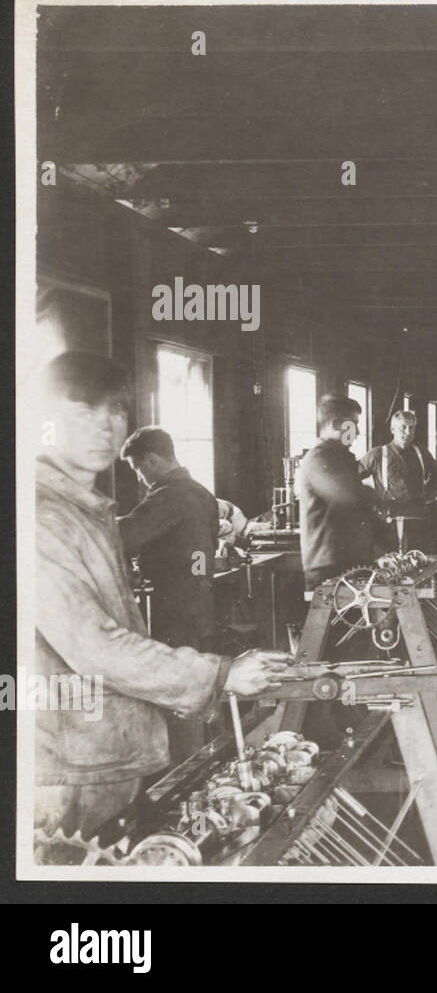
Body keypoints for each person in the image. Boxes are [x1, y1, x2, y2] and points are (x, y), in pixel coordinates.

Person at [33, 351, 289, 843]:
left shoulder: (93, 511)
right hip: (70, 768)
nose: (104, 427)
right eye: (83, 413)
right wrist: (223, 674)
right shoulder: (45, 516)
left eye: (115, 410)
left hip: (100, 754)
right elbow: (95, 646)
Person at [118, 426, 220, 655]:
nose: (140, 477)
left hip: (174, 603)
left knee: (176, 673)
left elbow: (125, 535)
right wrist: (198, 576)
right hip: (201, 597)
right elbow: (203, 552)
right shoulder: (203, 494)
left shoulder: (168, 497)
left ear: (151, 461)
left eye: (137, 468)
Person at [296, 393, 383, 590]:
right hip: (328, 564)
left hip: (350, 560)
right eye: (353, 424)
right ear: (336, 424)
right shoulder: (318, 457)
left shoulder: (341, 457)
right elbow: (346, 497)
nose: (358, 431)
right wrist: (372, 494)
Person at [357, 409, 437, 551]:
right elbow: (351, 477)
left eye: (411, 428)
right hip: (389, 521)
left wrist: (423, 494)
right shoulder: (377, 454)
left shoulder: (421, 453)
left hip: (417, 519)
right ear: (392, 429)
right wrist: (371, 499)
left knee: (418, 562)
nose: (408, 432)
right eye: (403, 427)